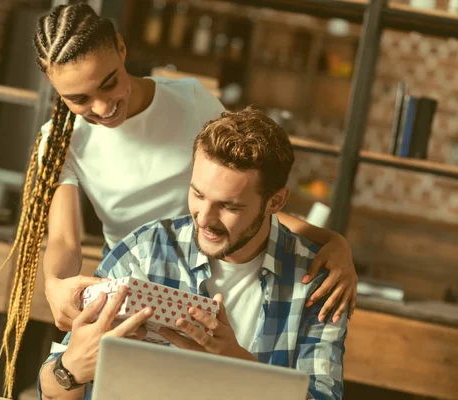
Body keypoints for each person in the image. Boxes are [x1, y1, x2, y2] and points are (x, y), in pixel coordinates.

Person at [0, 3, 356, 395]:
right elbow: (64, 240)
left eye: (109, 83)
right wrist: (55, 285)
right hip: (136, 273)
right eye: (78, 98)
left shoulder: (190, 101)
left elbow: (242, 185)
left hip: (218, 256)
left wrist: (330, 241)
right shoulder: (62, 141)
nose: (101, 107)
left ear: (121, 48)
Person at [38, 106, 348, 400]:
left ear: (275, 202)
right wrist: (70, 369)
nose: (204, 218)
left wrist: (234, 362)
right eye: (198, 194)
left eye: (229, 206)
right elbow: (54, 386)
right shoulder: (145, 251)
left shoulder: (316, 282)